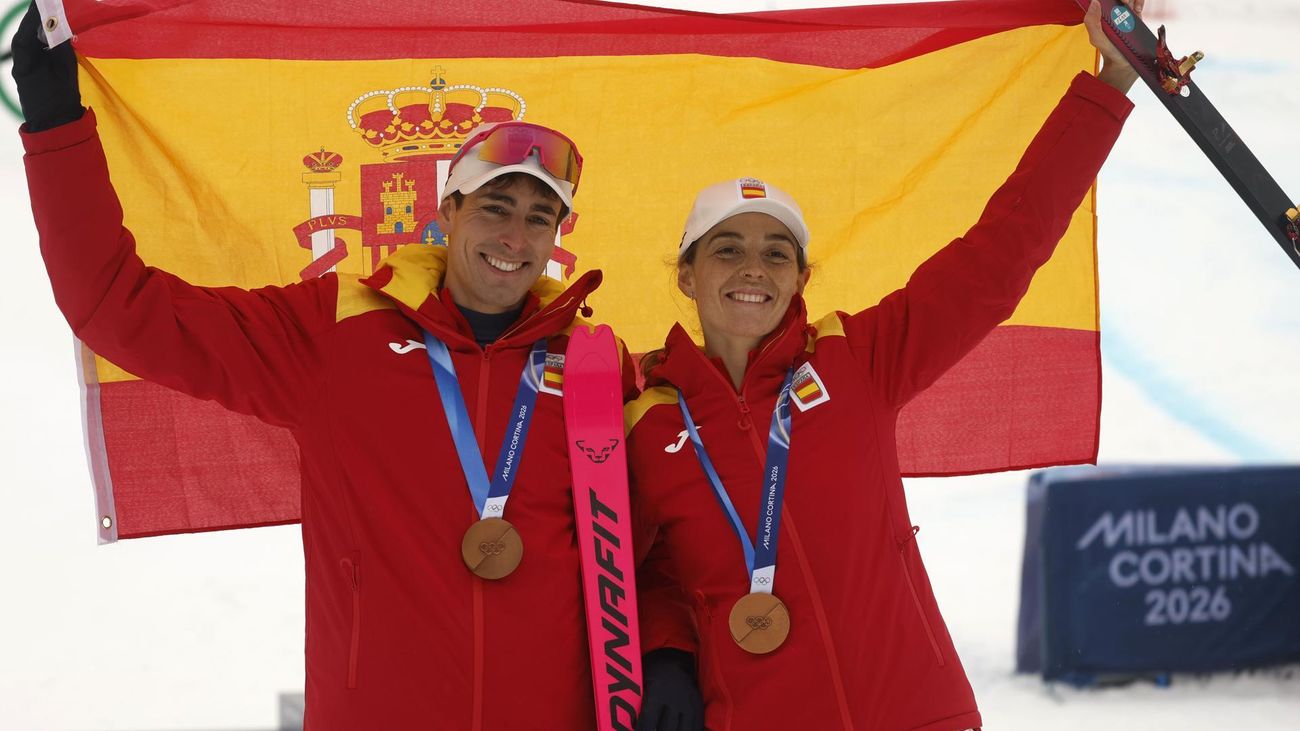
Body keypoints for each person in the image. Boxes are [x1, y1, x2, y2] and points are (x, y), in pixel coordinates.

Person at [11, 2, 705, 727]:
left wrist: (665, 650)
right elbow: (118, 309)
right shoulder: (335, 331)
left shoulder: (596, 365)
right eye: (497, 206)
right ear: (448, 210)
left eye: (541, 217)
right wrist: (57, 126)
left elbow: (652, 546)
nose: (516, 236)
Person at [627, 1, 1144, 729]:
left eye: (777, 252)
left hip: (917, 713)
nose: (754, 267)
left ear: (801, 278)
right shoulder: (644, 414)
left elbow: (1002, 252)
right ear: (687, 275)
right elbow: (638, 567)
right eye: (727, 247)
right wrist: (666, 651)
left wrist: (1109, 83)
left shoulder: (859, 358)